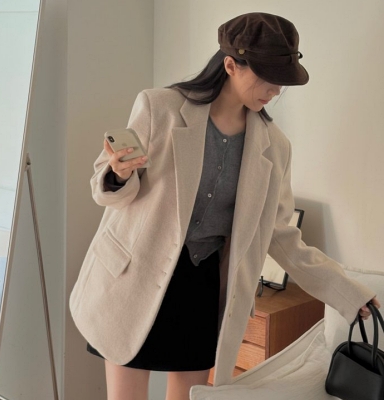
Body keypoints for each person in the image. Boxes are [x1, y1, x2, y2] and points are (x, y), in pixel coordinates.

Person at [70, 12, 380, 400]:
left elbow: (281, 236)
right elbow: (108, 192)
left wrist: (346, 292)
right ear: (231, 65)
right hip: (133, 278)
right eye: (267, 77)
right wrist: (118, 173)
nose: (275, 90)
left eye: (281, 80)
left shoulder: (275, 147)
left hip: (200, 287)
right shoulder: (160, 107)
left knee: (190, 396)